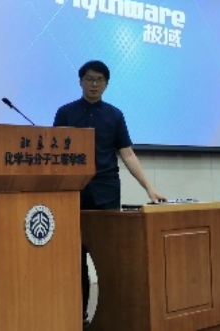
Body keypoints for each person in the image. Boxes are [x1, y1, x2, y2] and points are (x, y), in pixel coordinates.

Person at [53, 60, 165, 327]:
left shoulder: (114, 115)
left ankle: (115, 313)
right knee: (75, 257)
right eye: (89, 79)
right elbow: (54, 152)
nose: (94, 84)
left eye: (100, 80)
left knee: (111, 257)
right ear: (80, 81)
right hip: (74, 193)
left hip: (107, 192)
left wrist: (149, 188)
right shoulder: (65, 113)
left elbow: (127, 154)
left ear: (106, 84)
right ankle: (78, 315)